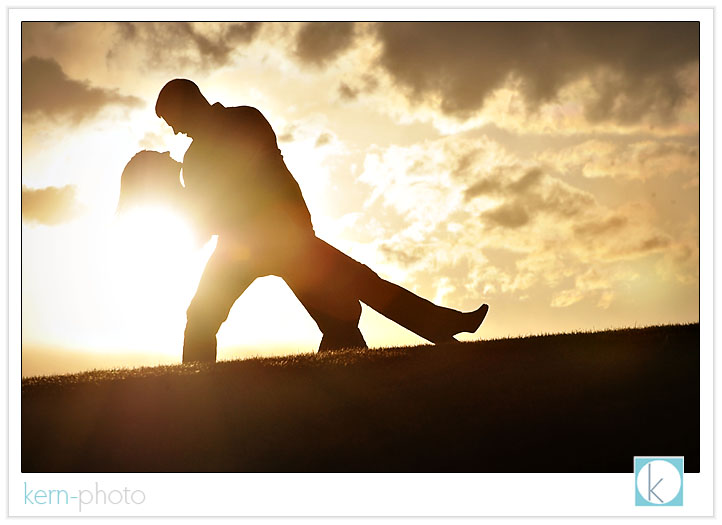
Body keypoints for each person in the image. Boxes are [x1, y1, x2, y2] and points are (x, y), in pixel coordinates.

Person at [148, 78, 488, 363]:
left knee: (345, 306)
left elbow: (253, 177)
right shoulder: (193, 161)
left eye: (172, 120)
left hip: (280, 236)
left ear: (188, 105)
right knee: (203, 318)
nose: (175, 132)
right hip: (240, 247)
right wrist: (175, 198)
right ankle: (191, 391)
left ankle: (424, 337)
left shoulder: (245, 121)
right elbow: (204, 225)